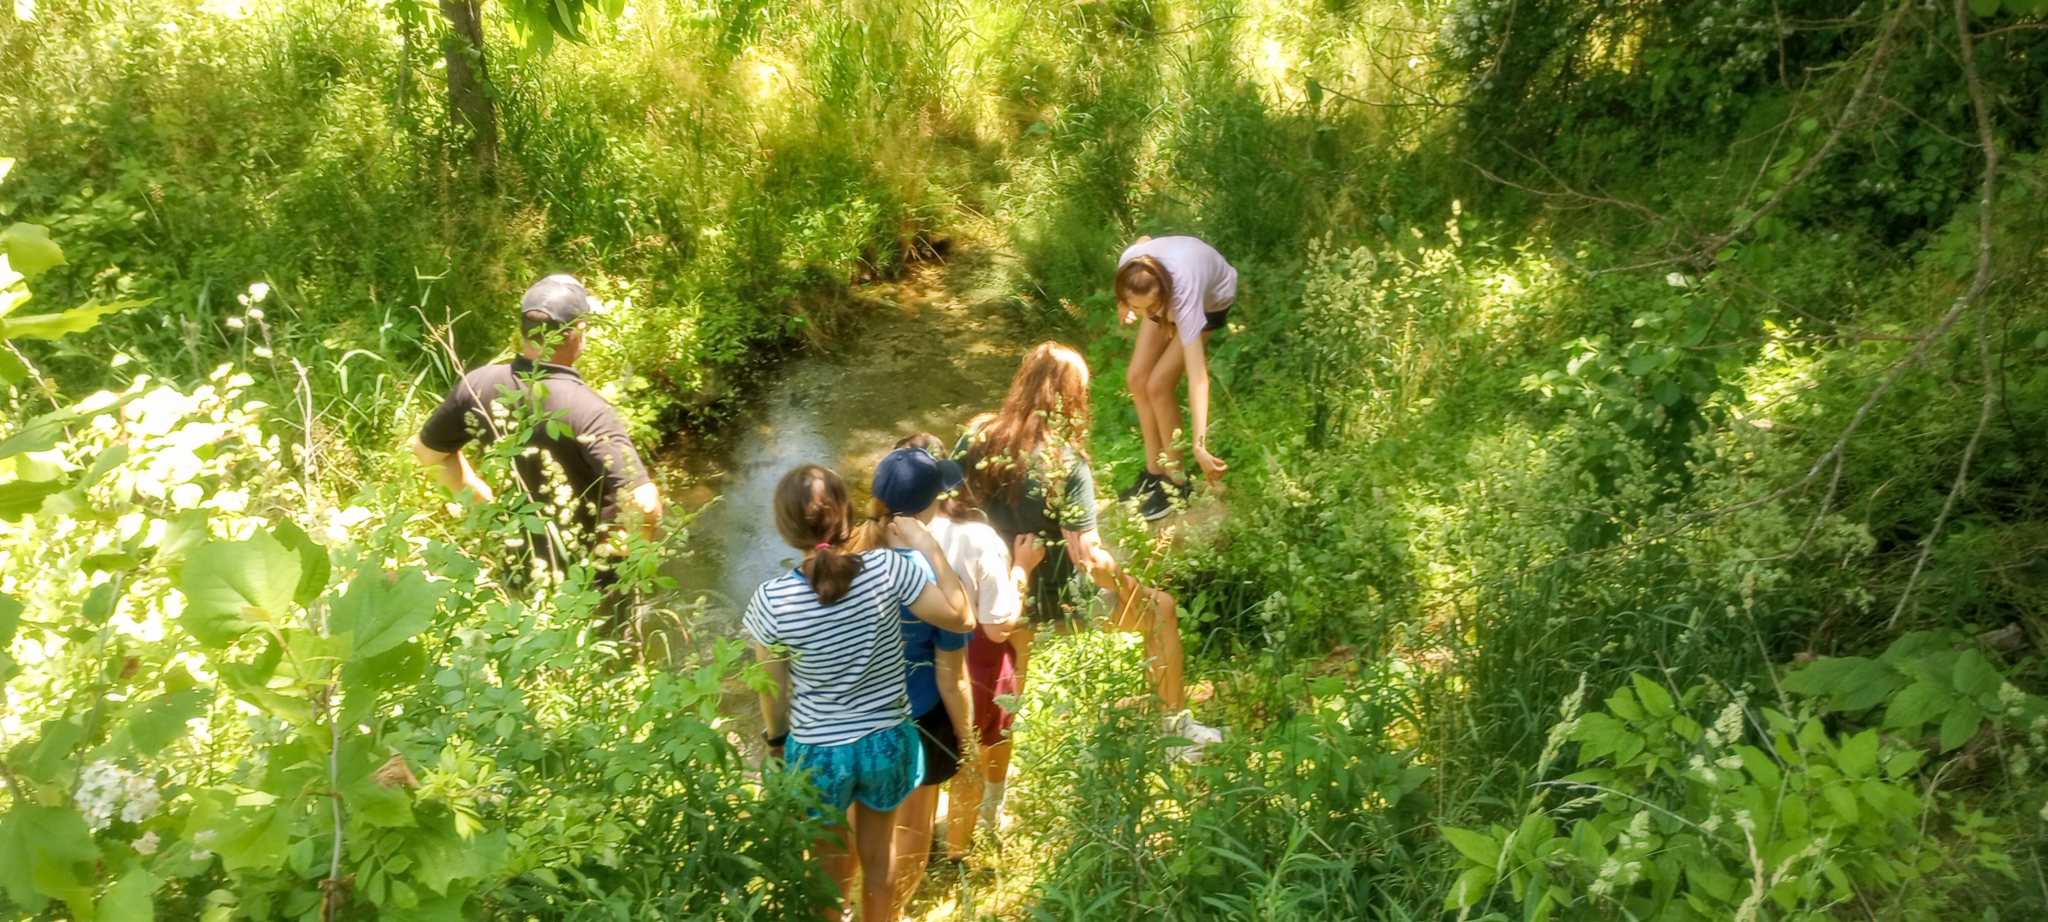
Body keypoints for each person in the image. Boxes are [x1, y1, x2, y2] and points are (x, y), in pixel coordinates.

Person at [959, 342, 1221, 757]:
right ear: (1071, 397)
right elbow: (1090, 559)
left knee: (1009, 692)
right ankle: (1175, 734)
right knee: (1163, 610)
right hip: (1064, 602)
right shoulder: (1065, 461)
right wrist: (1138, 591)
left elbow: (952, 511)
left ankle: (990, 791)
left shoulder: (975, 439)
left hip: (997, 603)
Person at [745, 464, 973, 922]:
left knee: (826, 876)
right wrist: (928, 546)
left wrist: (776, 743)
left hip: (817, 753)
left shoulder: (771, 601)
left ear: (785, 528)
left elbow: (772, 690)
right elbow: (962, 617)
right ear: (846, 513)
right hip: (885, 743)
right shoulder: (889, 570)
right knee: (879, 863)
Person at [410, 274, 663, 573]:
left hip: (519, 565)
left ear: (525, 330)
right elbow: (644, 504)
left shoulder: (478, 384)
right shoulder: (590, 411)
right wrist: (625, 553)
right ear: (578, 330)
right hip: (589, 584)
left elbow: (426, 452)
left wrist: (484, 504)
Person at [887, 434, 1045, 859]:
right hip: (973, 666)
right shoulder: (977, 538)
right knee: (971, 751)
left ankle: (901, 847)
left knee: (919, 768)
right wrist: (1021, 572)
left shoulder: (874, 541)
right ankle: (957, 852)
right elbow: (997, 626)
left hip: (901, 674)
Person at [848, 446, 978, 912]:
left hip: (853, 722)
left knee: (858, 840)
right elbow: (951, 679)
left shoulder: (843, 559)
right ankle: (891, 912)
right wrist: (970, 740)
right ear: (929, 509)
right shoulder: (929, 575)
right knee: (909, 837)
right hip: (919, 721)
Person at [1115, 235, 1237, 520]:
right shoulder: (1131, 265)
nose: (1148, 317)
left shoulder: (1185, 292)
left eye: (1151, 308)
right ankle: (1154, 473)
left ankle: (1177, 482)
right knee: (1136, 378)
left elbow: (1198, 377)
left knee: (1158, 384)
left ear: (1165, 292)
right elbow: (1143, 239)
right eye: (1137, 307)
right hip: (1166, 290)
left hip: (1211, 299)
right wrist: (1127, 304)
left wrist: (1199, 445)